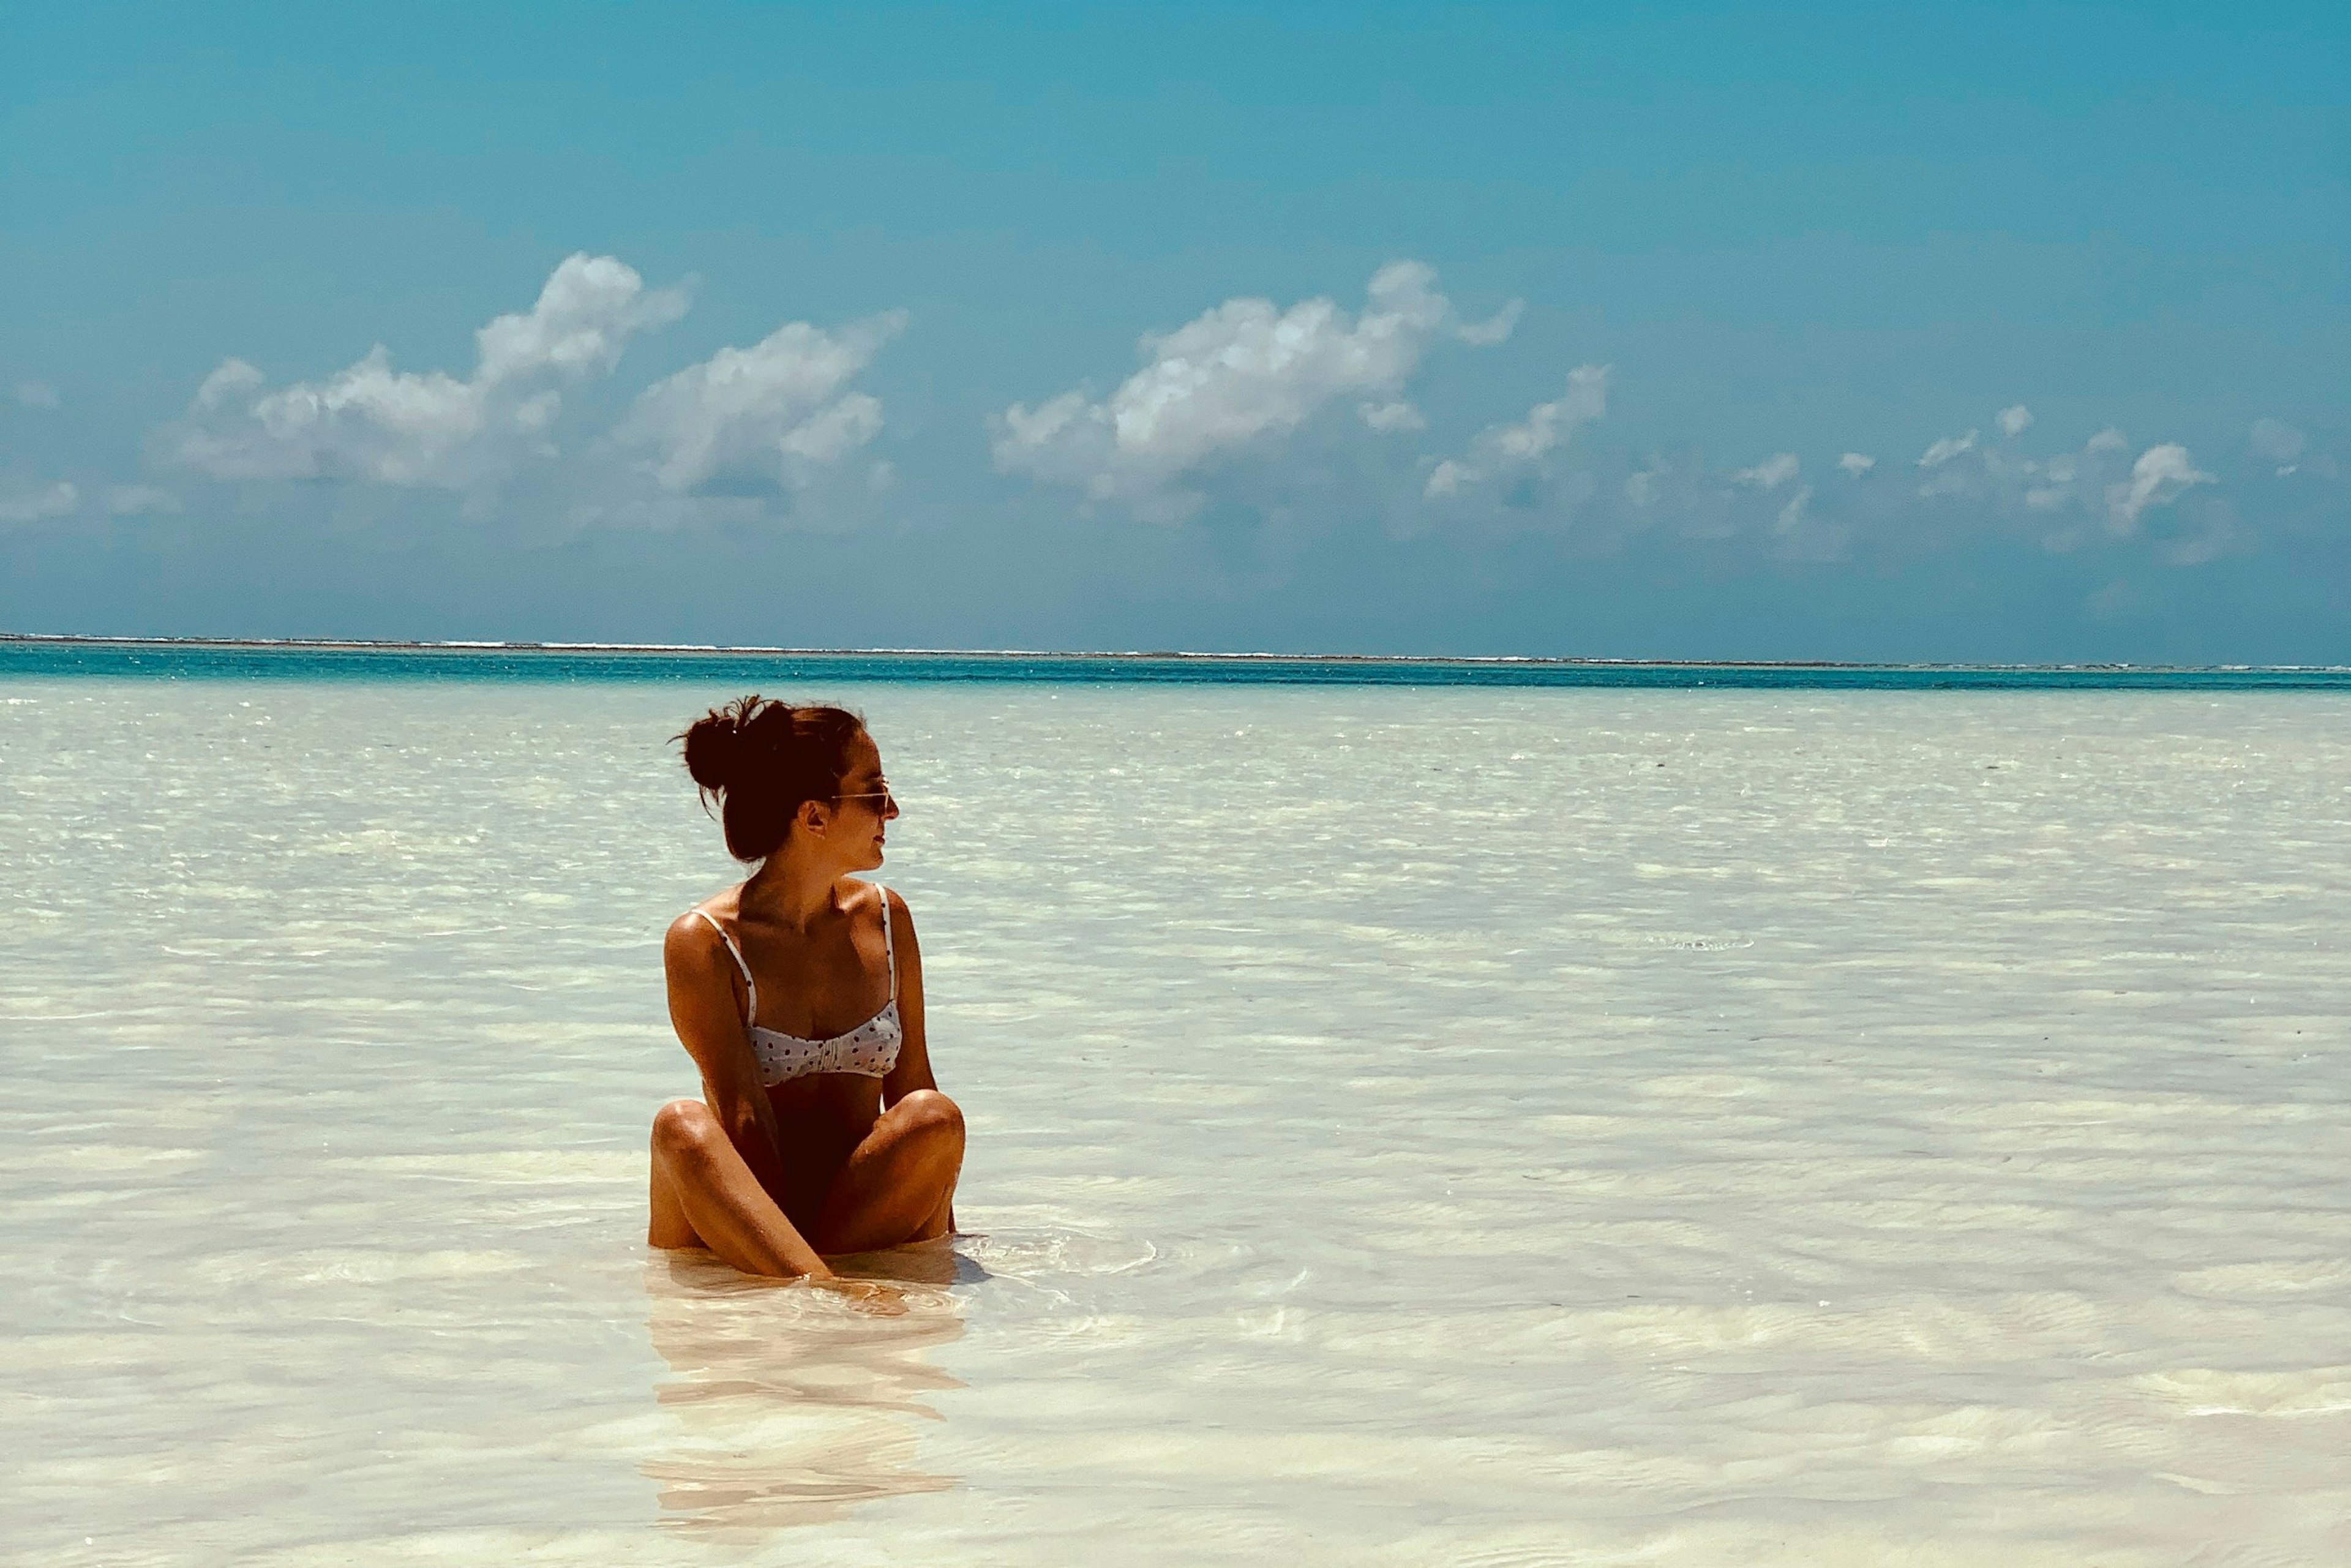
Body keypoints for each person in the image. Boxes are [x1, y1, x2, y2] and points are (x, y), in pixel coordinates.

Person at [648, 697, 962, 1278]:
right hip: (745, 1226)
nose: (891, 810)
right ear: (814, 816)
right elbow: (743, 1117)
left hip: (851, 1215)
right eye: (874, 792)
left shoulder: (887, 919)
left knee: (933, 1116)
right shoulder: (707, 941)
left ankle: (817, 1287)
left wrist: (949, 1250)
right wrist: (786, 1253)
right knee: (681, 1125)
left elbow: (912, 1084)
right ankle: (818, 1288)